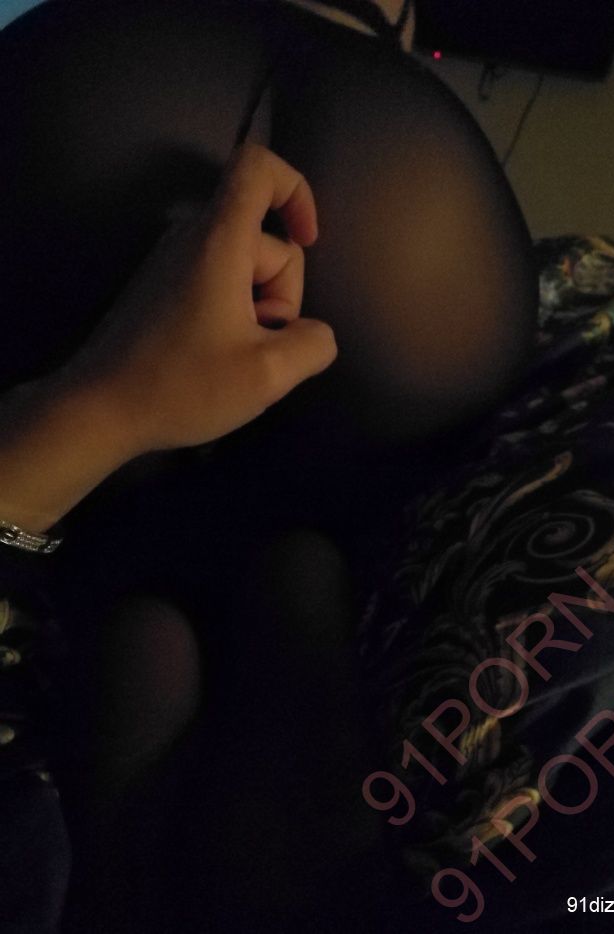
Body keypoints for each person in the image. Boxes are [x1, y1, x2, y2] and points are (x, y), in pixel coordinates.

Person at [0, 1, 538, 930]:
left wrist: (103, 406)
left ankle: (159, 606)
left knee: (146, 572)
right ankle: (270, 578)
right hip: (393, 190)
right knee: (299, 552)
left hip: (129, 88)